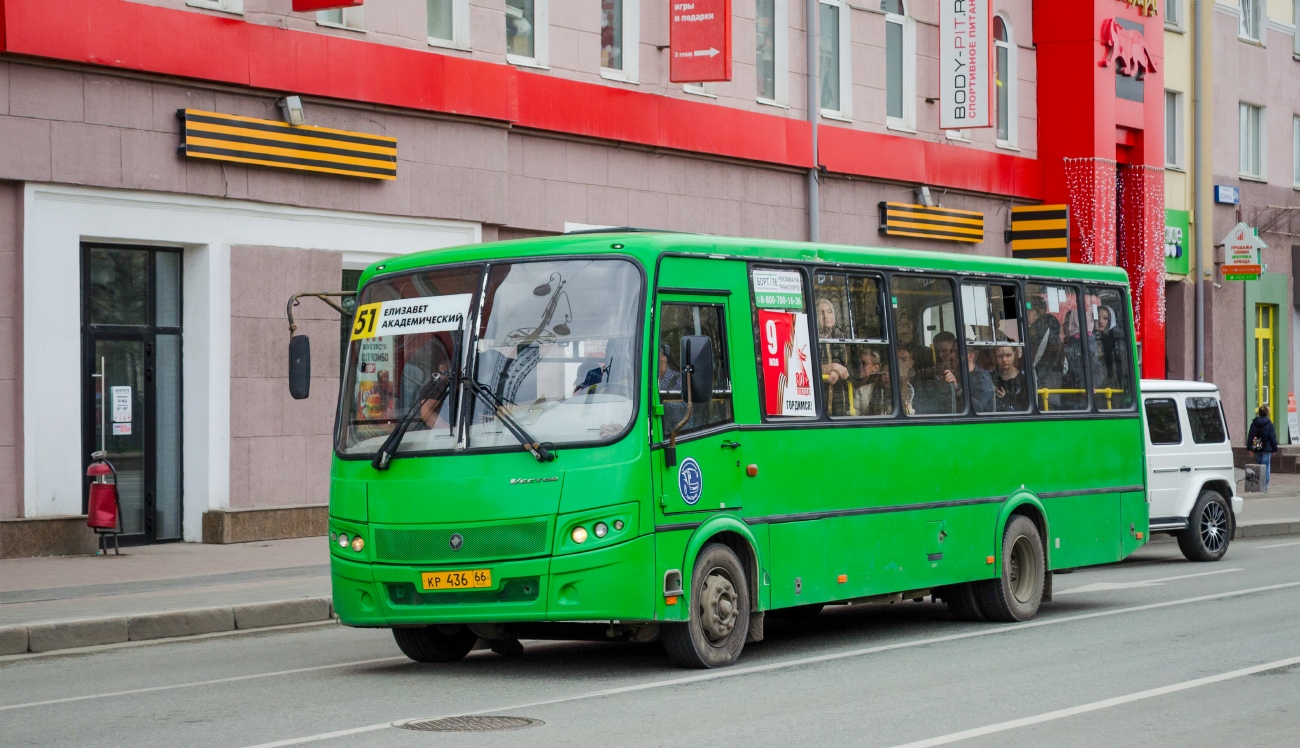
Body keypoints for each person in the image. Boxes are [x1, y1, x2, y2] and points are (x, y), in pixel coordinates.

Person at [815, 296, 852, 415]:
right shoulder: (809, 338)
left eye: (829, 312)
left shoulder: (841, 337)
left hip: (840, 399)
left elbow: (852, 369)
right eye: (821, 313)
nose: (826, 316)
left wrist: (837, 371)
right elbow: (807, 368)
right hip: (818, 399)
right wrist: (831, 367)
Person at [1247, 406, 1279, 492]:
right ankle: (1265, 486)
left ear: (1259, 413)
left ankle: (1258, 485)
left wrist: (1250, 448)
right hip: (1267, 449)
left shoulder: (1254, 424)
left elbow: (1250, 436)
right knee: (1266, 467)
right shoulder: (1270, 425)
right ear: (1267, 414)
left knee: (1258, 466)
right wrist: (1275, 449)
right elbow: (1272, 438)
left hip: (1257, 447)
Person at [992, 345, 1028, 412]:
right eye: (1000, 356)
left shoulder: (1023, 379)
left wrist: (1006, 399)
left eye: (1008, 355)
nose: (1004, 360)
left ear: (1014, 354)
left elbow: (1024, 405)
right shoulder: (992, 377)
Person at [967, 347, 997, 413]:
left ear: (971, 356)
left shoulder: (982, 378)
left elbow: (979, 407)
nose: (951, 356)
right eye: (951, 352)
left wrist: (961, 392)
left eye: (957, 352)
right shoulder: (959, 375)